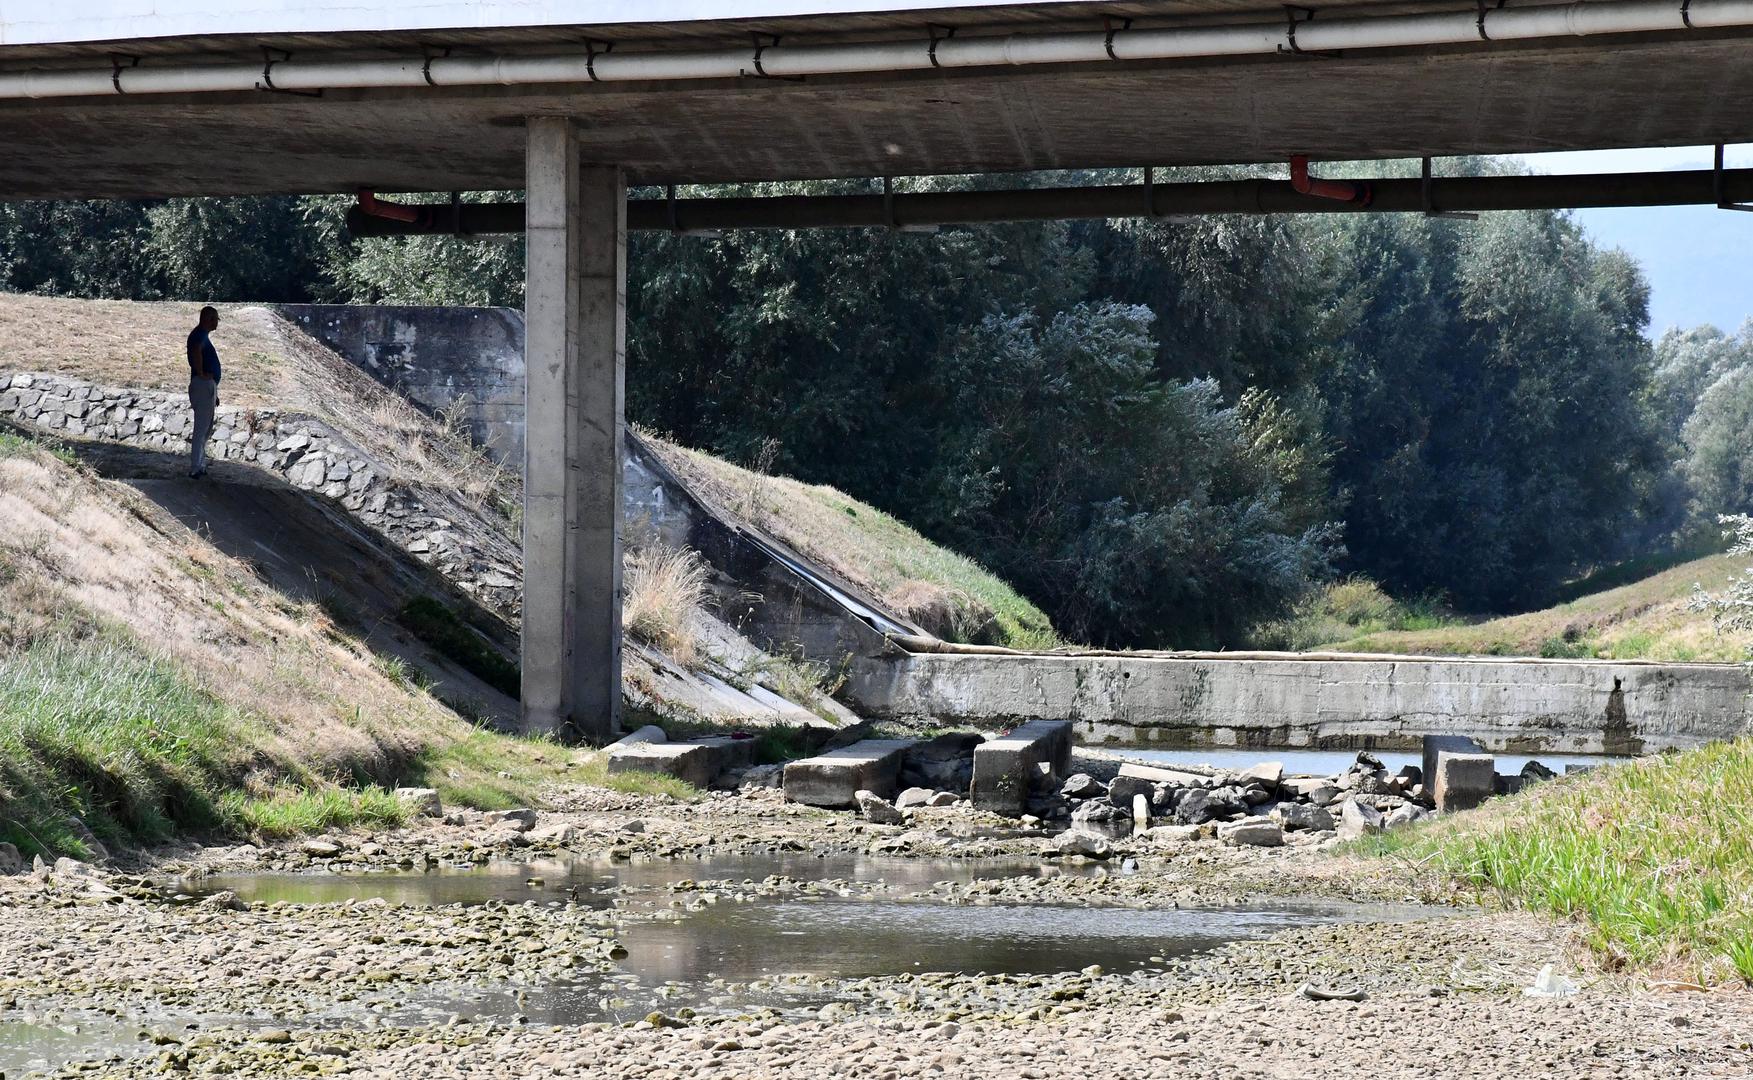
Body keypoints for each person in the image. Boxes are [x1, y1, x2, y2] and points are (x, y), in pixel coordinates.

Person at [186, 305, 222, 478]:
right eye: (215, 319)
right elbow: (196, 350)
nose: (217, 322)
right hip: (202, 384)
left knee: (206, 428)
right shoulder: (199, 335)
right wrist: (200, 372)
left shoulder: (202, 335)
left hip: (207, 386)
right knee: (201, 428)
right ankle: (195, 467)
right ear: (208, 319)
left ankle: (200, 464)